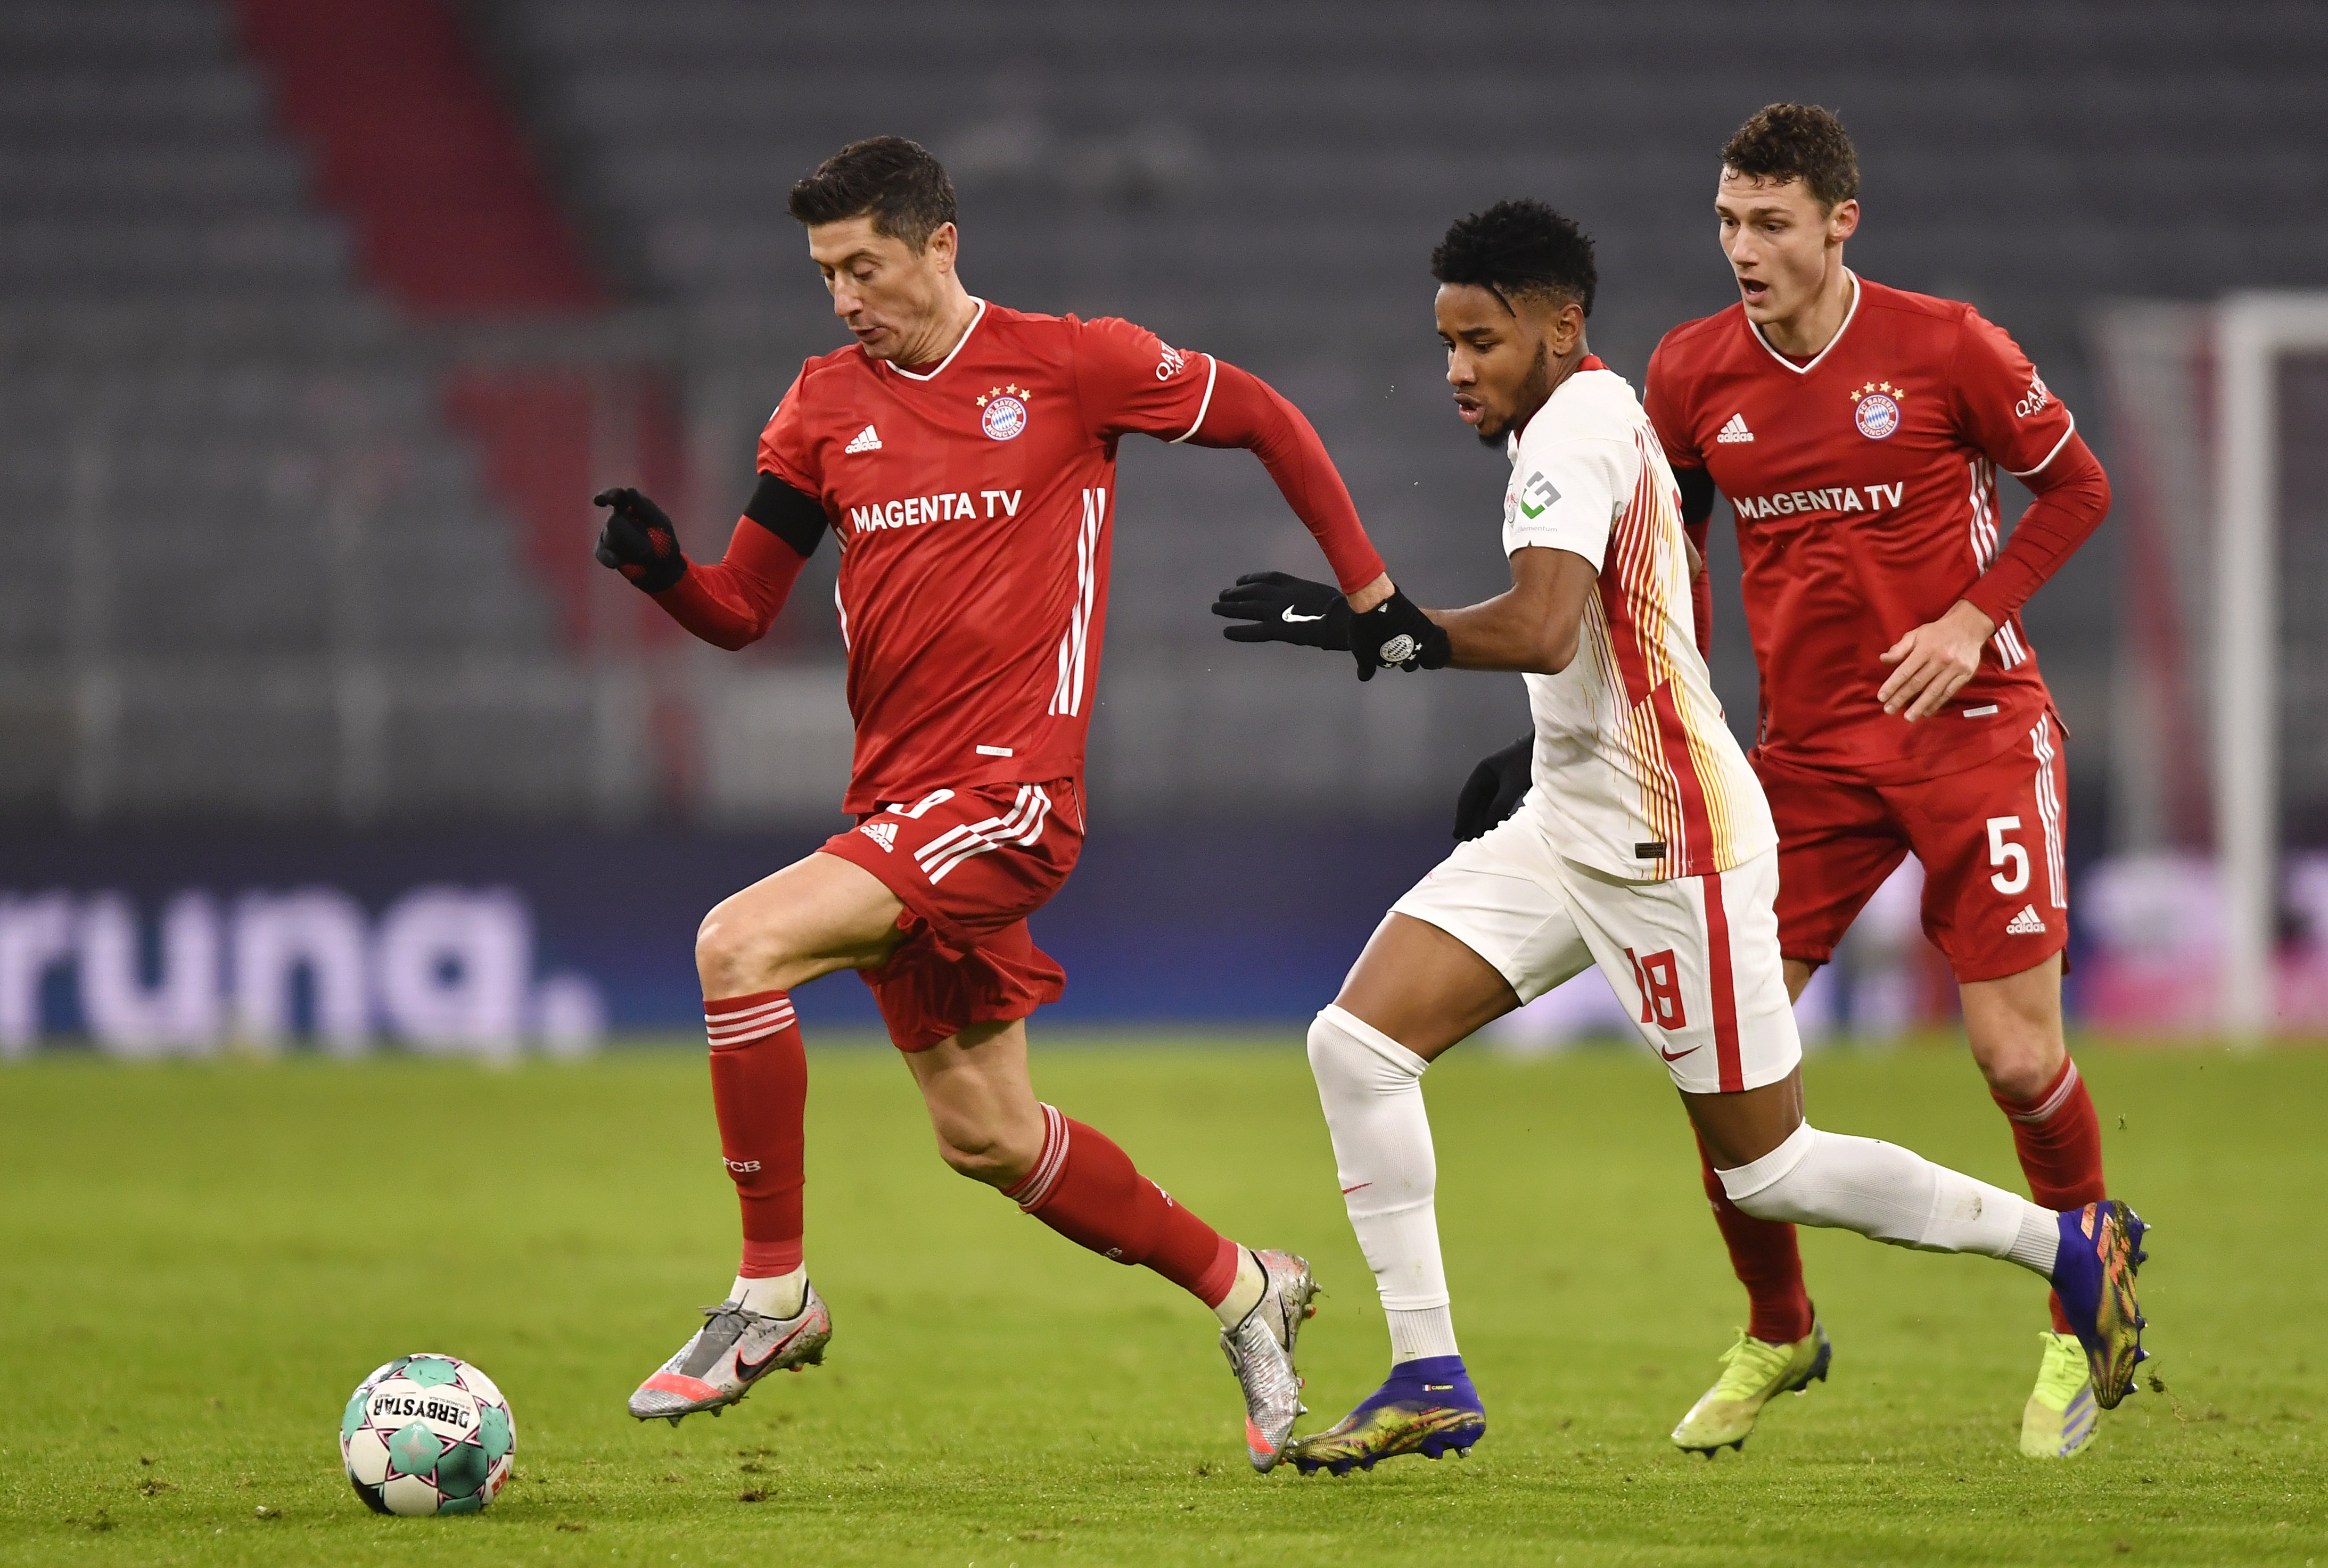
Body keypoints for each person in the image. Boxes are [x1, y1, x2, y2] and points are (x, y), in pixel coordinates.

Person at [1212, 199, 2146, 1478]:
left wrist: (1369, 624)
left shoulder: (1580, 429)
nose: (1455, 371)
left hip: (1670, 844)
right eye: (1443, 344)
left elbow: (1543, 625)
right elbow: (1611, 623)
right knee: (1357, 1045)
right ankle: (1430, 1372)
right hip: (1573, 814)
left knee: (1766, 1174)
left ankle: (2065, 1247)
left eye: (1479, 341)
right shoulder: (1575, 421)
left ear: (1559, 327)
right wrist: (1541, 740)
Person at [592, 135, 1441, 1470]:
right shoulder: (818, 409)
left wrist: (1372, 592)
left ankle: (770, 1295)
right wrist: (662, 576)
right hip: (895, 807)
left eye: (862, 265)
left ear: (939, 242)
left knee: (733, 945)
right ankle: (1245, 1287)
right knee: (987, 1137)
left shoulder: (1071, 364)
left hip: (1009, 797)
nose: (843, 297)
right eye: (823, 274)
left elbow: (1267, 416)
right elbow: (743, 609)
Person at [1625, 103, 2116, 1459]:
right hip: (1806, 762)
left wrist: (1970, 619)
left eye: (1770, 223)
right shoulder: (1689, 373)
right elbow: (1668, 544)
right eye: (1726, 221)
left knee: (2015, 1055)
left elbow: (2074, 488)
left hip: (1970, 734)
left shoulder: (1944, 345)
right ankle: (1778, 1327)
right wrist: (1690, 707)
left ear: (1840, 224)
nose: (1742, 248)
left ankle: (2085, 1304)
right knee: (1721, 1063)